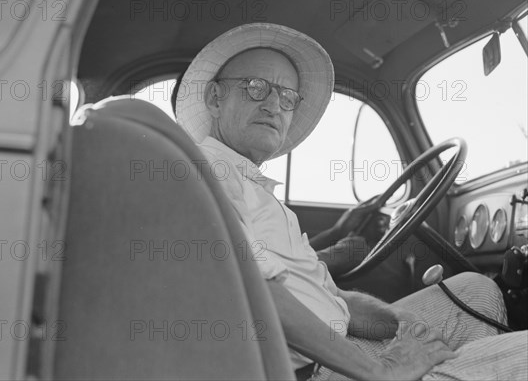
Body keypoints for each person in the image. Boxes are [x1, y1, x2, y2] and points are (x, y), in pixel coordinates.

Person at [173, 23, 527, 381]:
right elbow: (255, 293)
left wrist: (399, 321)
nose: (272, 105)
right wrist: (382, 370)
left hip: (334, 351)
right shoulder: (204, 173)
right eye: (255, 87)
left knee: (476, 291)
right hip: (302, 372)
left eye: (286, 97)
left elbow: (333, 296)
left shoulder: (261, 193)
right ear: (215, 98)